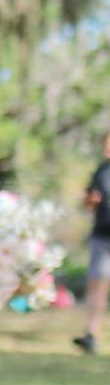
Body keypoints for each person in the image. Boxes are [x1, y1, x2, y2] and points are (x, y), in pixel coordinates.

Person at [76, 131, 110, 354]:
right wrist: (91, 201)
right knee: (98, 284)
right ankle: (91, 333)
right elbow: (86, 203)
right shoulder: (101, 171)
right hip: (102, 235)